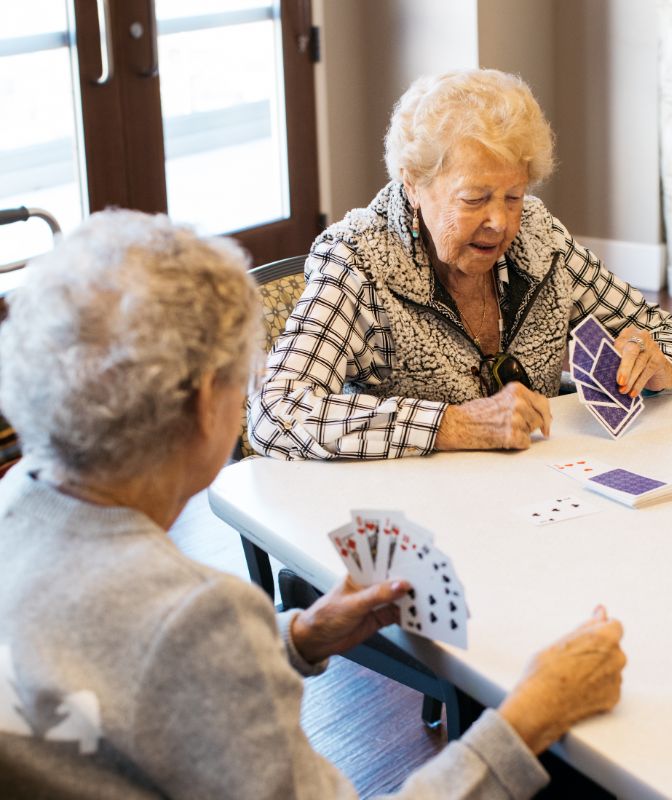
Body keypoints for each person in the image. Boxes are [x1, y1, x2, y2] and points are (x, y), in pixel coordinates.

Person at [0, 210, 626, 799]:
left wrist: (295, 637)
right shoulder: (199, 618)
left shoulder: (16, 504)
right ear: (201, 407)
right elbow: (170, 642)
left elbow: (117, 667)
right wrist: (526, 721)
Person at [249, 69, 672, 460]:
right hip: (423, 515)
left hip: (543, 492)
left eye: (513, 196)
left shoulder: (539, 237)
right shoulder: (358, 261)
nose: (500, 222)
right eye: (474, 199)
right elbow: (276, 413)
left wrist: (660, 364)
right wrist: (452, 425)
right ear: (412, 184)